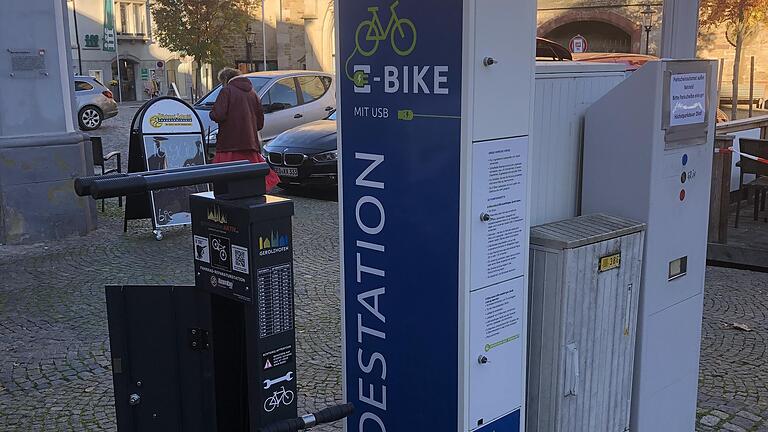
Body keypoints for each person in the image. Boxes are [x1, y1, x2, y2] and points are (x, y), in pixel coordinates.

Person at [209, 67, 279, 191]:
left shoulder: (227, 91)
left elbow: (218, 115)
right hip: (250, 144)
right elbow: (259, 124)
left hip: (229, 144)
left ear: (225, 79)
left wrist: (212, 113)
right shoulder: (253, 93)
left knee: (227, 179)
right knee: (251, 176)